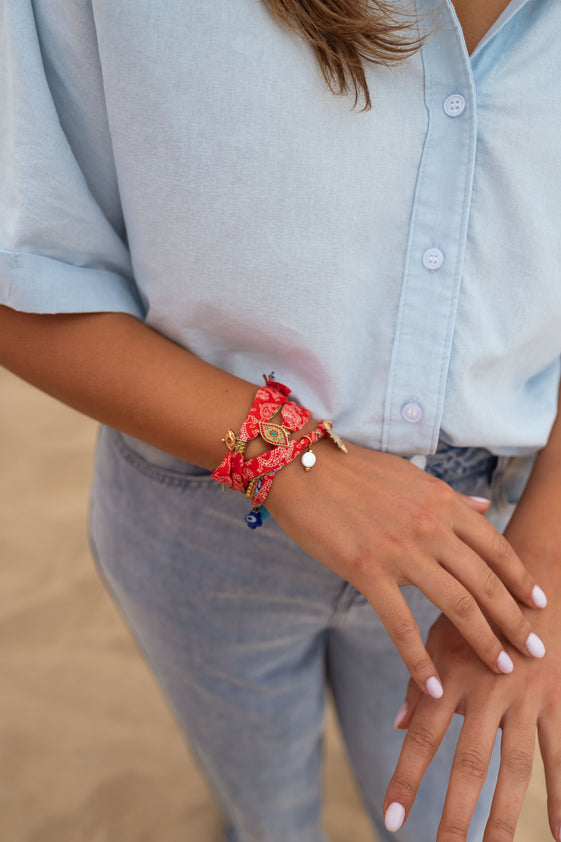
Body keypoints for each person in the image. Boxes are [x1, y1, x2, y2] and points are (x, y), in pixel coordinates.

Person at [1, 1, 560, 840]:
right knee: (265, 813)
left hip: (493, 535)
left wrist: (545, 561)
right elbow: (23, 273)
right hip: (201, 503)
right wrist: (297, 461)